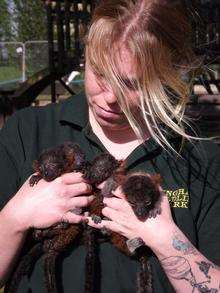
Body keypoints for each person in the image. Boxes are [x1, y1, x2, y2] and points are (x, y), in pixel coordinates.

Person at [0, 0, 220, 292]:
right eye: (100, 74)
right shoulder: (27, 132)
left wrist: (166, 238)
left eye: (131, 84)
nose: (110, 97)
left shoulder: (200, 161)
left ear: (165, 74)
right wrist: (15, 217)